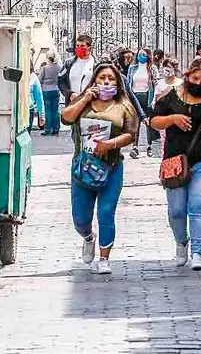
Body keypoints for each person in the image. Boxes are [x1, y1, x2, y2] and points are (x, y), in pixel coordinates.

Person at [61, 62, 139, 275]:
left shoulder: (124, 106)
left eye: (110, 79)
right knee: (80, 218)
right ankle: (88, 237)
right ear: (94, 80)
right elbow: (66, 118)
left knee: (106, 213)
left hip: (111, 167)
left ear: (117, 83)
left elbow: (131, 134)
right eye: (102, 78)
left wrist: (110, 144)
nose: (106, 82)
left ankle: (104, 258)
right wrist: (85, 98)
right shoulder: (84, 102)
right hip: (82, 168)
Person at [150, 59, 201, 271]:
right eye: (195, 78)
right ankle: (182, 242)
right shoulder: (171, 96)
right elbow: (153, 121)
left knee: (197, 206)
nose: (198, 83)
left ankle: (198, 252)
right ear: (187, 76)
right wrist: (173, 119)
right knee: (177, 210)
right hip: (174, 161)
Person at [127, 47, 159, 158]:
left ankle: (150, 146)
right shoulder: (132, 68)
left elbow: (156, 83)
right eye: (140, 54)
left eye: (144, 54)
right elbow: (128, 83)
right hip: (135, 96)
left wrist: (155, 98)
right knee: (135, 123)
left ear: (148, 56)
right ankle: (134, 147)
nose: (141, 56)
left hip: (148, 97)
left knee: (149, 122)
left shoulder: (152, 68)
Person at [58, 34, 95, 104]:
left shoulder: (95, 64)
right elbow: (61, 81)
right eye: (77, 45)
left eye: (82, 46)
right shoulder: (68, 63)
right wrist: (69, 94)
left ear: (89, 47)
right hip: (72, 103)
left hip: (90, 104)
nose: (79, 48)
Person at [39, 52, 62, 136]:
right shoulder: (59, 67)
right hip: (56, 89)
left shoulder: (45, 68)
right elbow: (62, 77)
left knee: (47, 110)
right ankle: (56, 128)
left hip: (46, 90)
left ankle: (48, 129)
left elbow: (40, 79)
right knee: (55, 110)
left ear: (47, 58)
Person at [28, 68, 45, 133]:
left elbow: (39, 97)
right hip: (16, 110)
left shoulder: (33, 77)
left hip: (29, 109)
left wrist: (41, 114)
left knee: (25, 136)